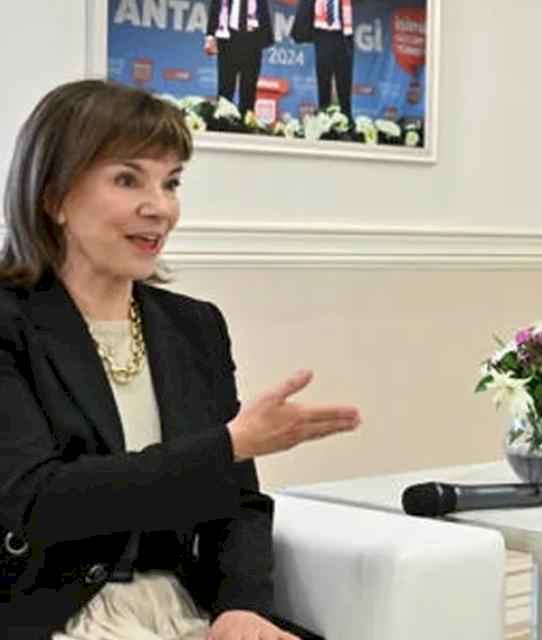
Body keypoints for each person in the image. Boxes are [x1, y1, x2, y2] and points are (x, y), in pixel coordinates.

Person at [0, 80, 362, 640]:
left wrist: (242, 606)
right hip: (47, 616)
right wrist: (228, 445)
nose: (161, 208)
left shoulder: (194, 326)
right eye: (128, 179)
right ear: (54, 198)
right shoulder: (10, 322)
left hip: (180, 607)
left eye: (171, 182)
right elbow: (35, 502)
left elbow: (239, 503)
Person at [205, 0, 275, 119]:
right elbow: (216, 6)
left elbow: (263, 9)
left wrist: (264, 39)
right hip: (227, 39)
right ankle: (222, 121)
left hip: (252, 39)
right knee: (225, 89)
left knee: (248, 89)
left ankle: (246, 122)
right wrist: (210, 35)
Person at [291, 0, 356, 119]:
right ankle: (323, 115)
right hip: (321, 32)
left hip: (343, 33)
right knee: (323, 76)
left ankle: (346, 117)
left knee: (344, 77)